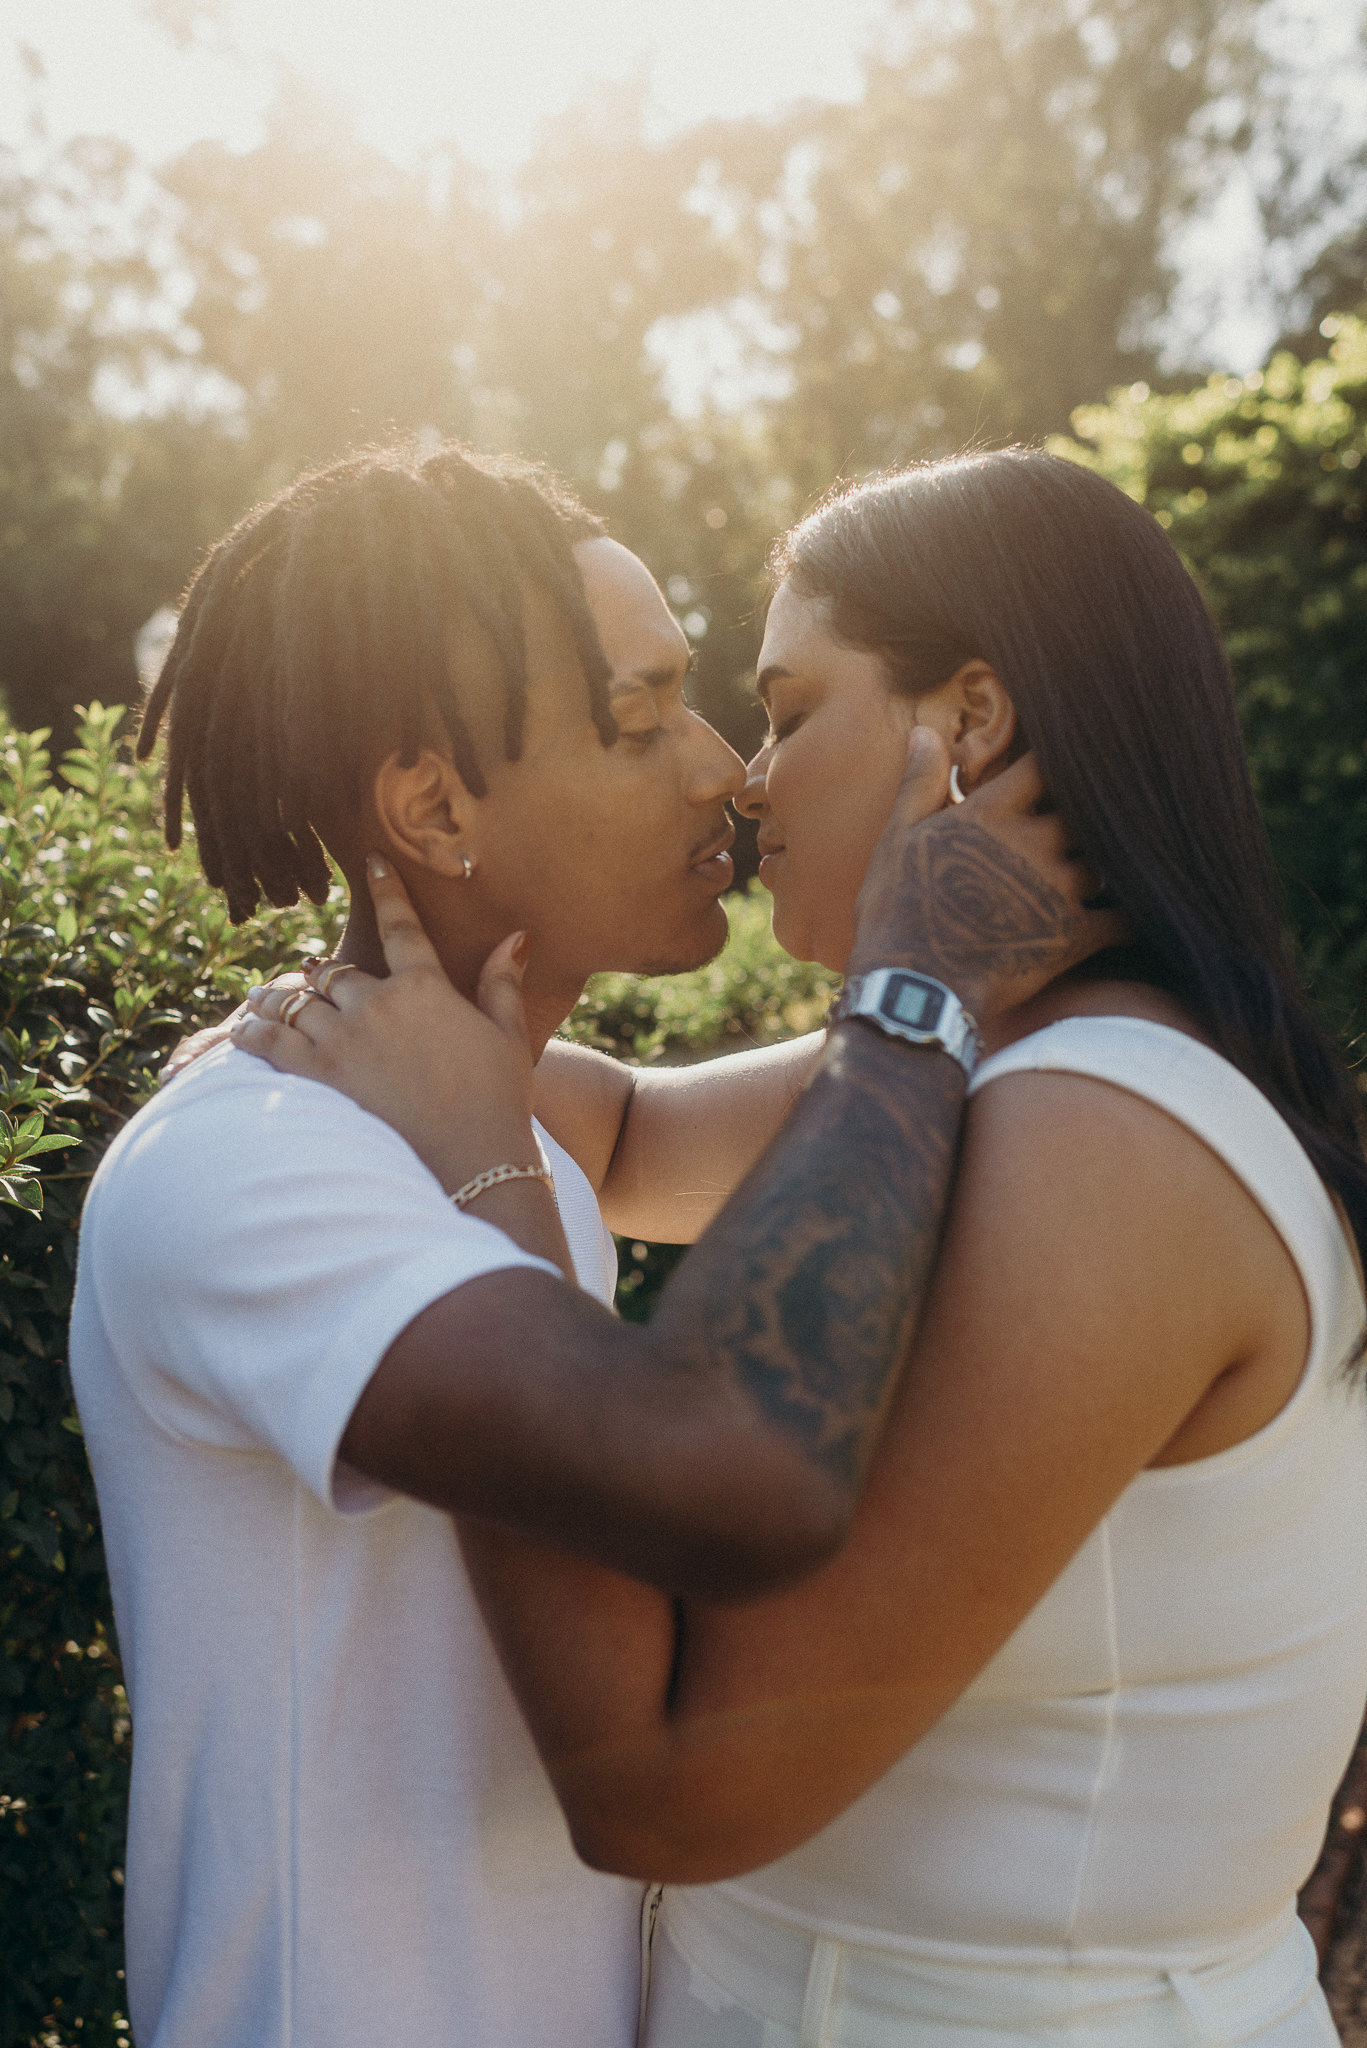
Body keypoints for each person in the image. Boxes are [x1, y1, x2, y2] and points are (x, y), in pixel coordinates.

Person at [236, 448, 1367, 2048]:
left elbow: (671, 1785)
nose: (749, 779)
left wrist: (479, 1169)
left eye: (787, 708)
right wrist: (370, 1009)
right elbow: (631, 1135)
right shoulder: (1022, 1054)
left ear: (967, 723)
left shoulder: (1105, 1146)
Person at [69, 438, 1108, 2048]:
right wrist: (915, 975)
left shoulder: (510, 1126)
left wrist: (1031, 929)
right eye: (640, 721)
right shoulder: (255, 1173)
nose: (725, 773)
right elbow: (696, 1468)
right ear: (433, 805)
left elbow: (705, 1128)